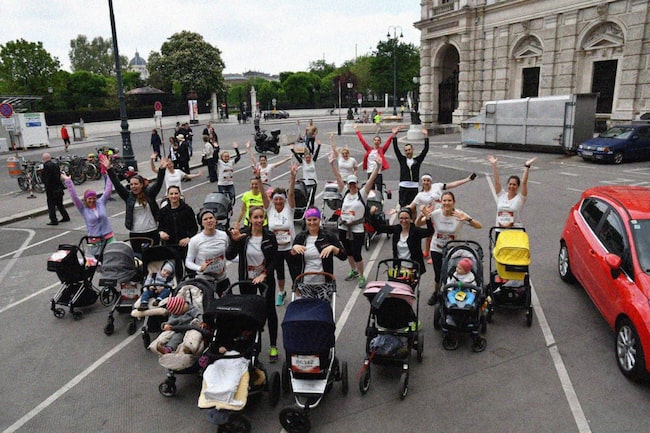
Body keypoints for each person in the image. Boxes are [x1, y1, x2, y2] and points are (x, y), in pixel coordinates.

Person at [226, 206, 280, 362]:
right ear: (249, 219)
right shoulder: (243, 235)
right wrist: (234, 241)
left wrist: (264, 274)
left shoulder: (270, 236)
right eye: (255, 217)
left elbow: (274, 260)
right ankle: (251, 345)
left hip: (265, 280)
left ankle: (273, 346)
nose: (258, 220)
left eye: (261, 217)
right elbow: (229, 255)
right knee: (248, 313)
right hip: (247, 279)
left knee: (270, 311)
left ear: (264, 219)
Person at [329, 152, 382, 288]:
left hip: (357, 228)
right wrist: (332, 164)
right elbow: (338, 177)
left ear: (357, 184)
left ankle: (362, 275)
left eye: (354, 184)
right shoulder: (345, 192)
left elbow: (371, 180)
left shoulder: (362, 194)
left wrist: (378, 167)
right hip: (343, 227)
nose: (352, 186)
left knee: (357, 253)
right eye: (350, 184)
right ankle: (353, 270)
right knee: (348, 251)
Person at [421, 191, 482, 305]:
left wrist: (468, 219)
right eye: (444, 200)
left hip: (452, 251)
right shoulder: (436, 213)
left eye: (449, 200)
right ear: (441, 202)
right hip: (436, 248)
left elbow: (479, 226)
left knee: (452, 273)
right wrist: (423, 214)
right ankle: (436, 292)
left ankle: (452, 293)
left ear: (454, 202)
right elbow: (418, 223)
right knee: (438, 274)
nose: (447, 203)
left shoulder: (459, 214)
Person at [103, 154, 166, 253]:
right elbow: (117, 184)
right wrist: (109, 169)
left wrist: (162, 169)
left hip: (151, 231)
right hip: (135, 233)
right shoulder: (128, 196)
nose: (133, 186)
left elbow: (159, 183)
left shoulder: (149, 193)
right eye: (131, 184)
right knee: (138, 259)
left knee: (153, 257)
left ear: (141, 185)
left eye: (136, 184)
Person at [61, 154, 114, 255]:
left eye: (94, 198)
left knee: (113, 260)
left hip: (109, 237)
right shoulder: (83, 209)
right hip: (95, 241)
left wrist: (110, 174)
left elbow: (108, 190)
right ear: (86, 199)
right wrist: (68, 181)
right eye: (89, 198)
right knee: (98, 265)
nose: (92, 200)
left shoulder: (101, 203)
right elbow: (74, 197)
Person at [265, 163, 299, 306]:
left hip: (289, 247)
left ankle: (297, 293)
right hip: (276, 249)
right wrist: (259, 179)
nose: (278, 201)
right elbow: (262, 192)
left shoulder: (289, 209)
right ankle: (281, 292)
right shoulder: (270, 210)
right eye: (276, 199)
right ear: (272, 200)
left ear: (284, 199)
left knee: (294, 271)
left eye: (281, 198)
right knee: (279, 272)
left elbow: (291, 193)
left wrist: (292, 176)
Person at [368, 205, 434, 277]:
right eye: (401, 218)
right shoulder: (397, 229)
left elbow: (430, 232)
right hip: (399, 267)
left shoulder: (415, 231)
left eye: (406, 218)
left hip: (413, 268)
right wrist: (372, 215)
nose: (404, 221)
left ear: (411, 219)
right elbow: (379, 228)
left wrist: (427, 217)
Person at [290, 207, 347, 284]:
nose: (312, 223)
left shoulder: (329, 236)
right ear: (305, 221)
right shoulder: (300, 237)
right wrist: (293, 250)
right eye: (309, 220)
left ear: (319, 220)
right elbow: (292, 262)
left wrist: (333, 248)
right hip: (304, 282)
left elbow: (344, 256)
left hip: (325, 282)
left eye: (315, 219)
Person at [185, 208, 231, 295]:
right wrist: (199, 268)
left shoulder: (223, 235)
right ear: (201, 223)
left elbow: (228, 255)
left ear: (215, 220)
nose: (209, 221)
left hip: (222, 277)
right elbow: (188, 262)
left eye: (211, 218)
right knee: (208, 306)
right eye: (205, 219)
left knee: (229, 305)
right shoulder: (195, 240)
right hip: (205, 279)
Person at [488, 155, 537, 228]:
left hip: (515, 231)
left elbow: (524, 183)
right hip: (500, 230)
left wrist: (527, 166)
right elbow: (497, 181)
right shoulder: (501, 195)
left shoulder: (520, 198)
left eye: (514, 184)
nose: (511, 186)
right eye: (510, 184)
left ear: (517, 187)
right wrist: (494, 165)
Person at [354, 124, 400, 193]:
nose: (376, 141)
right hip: (370, 172)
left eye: (378, 140)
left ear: (380, 142)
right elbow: (362, 140)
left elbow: (388, 142)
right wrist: (357, 130)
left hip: (378, 173)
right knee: (370, 191)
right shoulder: (369, 149)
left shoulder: (382, 150)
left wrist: (393, 134)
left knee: (379, 191)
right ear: (373, 141)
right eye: (375, 140)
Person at [157, 185, 198, 260]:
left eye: (176, 193)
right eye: (171, 194)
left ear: (180, 195)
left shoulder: (187, 209)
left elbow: (194, 228)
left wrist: (188, 238)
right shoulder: (163, 211)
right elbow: (160, 227)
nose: (174, 196)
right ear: (167, 196)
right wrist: (161, 233)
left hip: (185, 245)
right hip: (169, 245)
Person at [394, 128, 430, 207]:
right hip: (403, 186)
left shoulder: (417, 160)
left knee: (413, 208)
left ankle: (413, 220)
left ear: (412, 150)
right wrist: (394, 136)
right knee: (403, 207)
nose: (408, 152)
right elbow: (396, 149)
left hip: (414, 186)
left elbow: (425, 150)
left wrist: (426, 137)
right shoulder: (402, 160)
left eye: (409, 150)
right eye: (406, 150)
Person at [41, 152, 70, 226]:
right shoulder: (55, 165)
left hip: (51, 189)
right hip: (59, 188)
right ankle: (65, 216)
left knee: (51, 205)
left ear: (44, 159)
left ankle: (53, 220)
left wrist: (45, 185)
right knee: (60, 204)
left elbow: (47, 179)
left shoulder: (46, 166)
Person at [290, 141, 321, 208]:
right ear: (304, 158)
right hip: (306, 183)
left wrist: (319, 145)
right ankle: (306, 208)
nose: (308, 159)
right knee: (306, 197)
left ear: (310, 157)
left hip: (313, 182)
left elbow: (316, 153)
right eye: (306, 158)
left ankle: (312, 207)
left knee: (312, 197)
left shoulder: (313, 161)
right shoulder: (303, 163)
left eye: (309, 157)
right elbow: (297, 156)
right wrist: (292, 149)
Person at [217, 142, 242, 206]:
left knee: (232, 196)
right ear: (221, 157)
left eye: (227, 156)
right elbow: (214, 157)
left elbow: (238, 157)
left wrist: (236, 148)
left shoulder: (231, 162)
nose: (226, 157)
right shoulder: (219, 163)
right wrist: (216, 148)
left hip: (230, 184)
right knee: (224, 198)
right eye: (224, 156)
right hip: (222, 184)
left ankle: (230, 207)